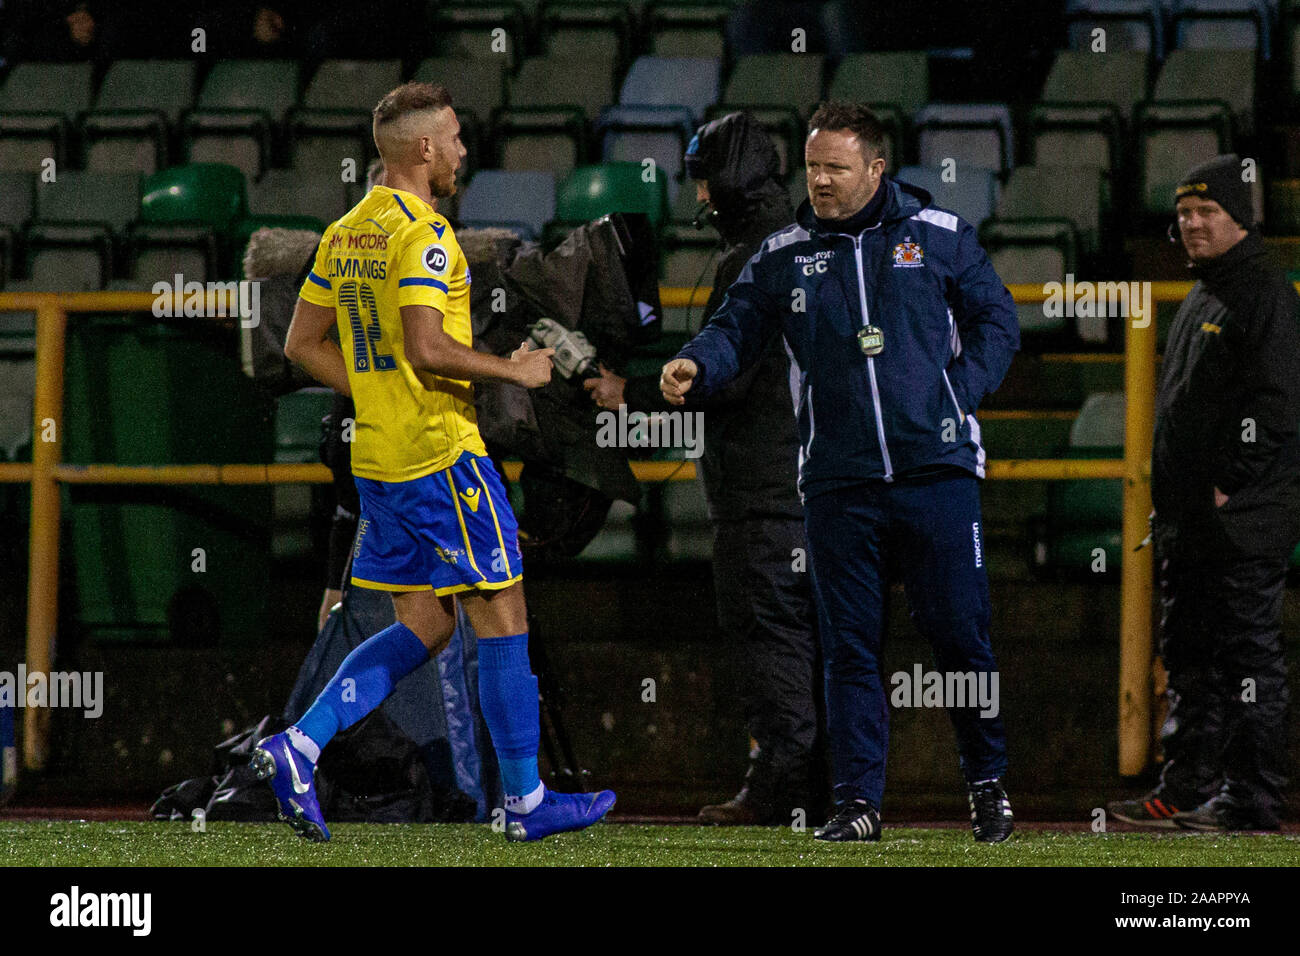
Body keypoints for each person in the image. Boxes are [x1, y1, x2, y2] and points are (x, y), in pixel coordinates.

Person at [256, 81, 616, 842]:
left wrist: (377, 394)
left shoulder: (348, 229)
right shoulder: (424, 235)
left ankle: (301, 742)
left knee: (425, 623)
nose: (460, 151)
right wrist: (516, 372)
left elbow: (298, 344)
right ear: (423, 148)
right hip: (440, 456)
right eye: (452, 138)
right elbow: (427, 345)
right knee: (504, 611)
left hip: (381, 461)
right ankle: (524, 801)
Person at [661, 102, 1020, 843]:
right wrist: (698, 361)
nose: (820, 180)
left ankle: (987, 784)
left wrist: (958, 392)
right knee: (849, 646)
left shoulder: (942, 237)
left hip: (938, 476)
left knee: (962, 639)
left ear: (876, 168)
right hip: (836, 484)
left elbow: (999, 322)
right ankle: (857, 805)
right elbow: (737, 325)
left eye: (837, 167)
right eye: (814, 166)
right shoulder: (785, 252)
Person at [583, 112, 821, 825]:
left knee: (769, 638)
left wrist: (630, 392)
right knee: (818, 641)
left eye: (704, 183)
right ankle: (830, 784)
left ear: (730, 181)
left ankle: (780, 786)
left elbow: (722, 377)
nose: (698, 201)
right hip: (813, 487)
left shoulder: (753, 258)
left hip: (764, 493)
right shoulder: (803, 243)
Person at [1108, 154, 1300, 832]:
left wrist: (1228, 483)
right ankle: (1186, 785)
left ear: (1239, 218)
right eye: (1184, 213)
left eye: (1206, 212)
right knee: (1189, 655)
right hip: (1191, 522)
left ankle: (1252, 799)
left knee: (1246, 656)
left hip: (1239, 522)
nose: (1191, 223)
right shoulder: (1205, 291)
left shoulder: (1263, 293)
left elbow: (1277, 406)